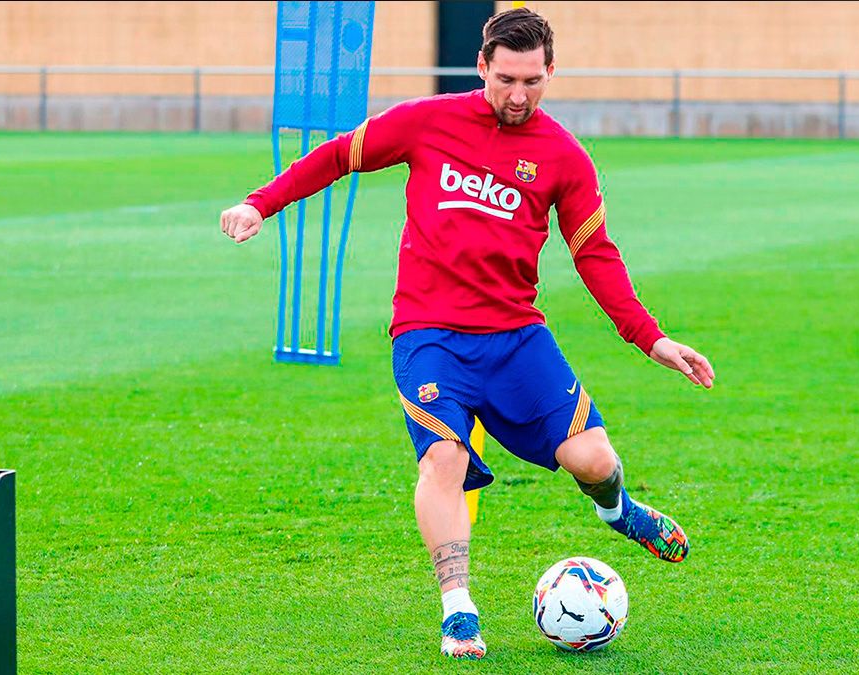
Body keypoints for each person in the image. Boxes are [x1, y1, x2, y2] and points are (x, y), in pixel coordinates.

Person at [220, 7, 714, 660]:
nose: (517, 94)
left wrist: (651, 338)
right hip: (429, 334)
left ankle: (617, 509)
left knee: (593, 461)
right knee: (443, 458)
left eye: (532, 81)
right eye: (505, 78)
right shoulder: (429, 122)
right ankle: (458, 607)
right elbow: (340, 156)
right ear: (481, 66)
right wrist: (260, 202)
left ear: (550, 73)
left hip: (515, 337)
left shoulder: (564, 156)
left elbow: (595, 254)